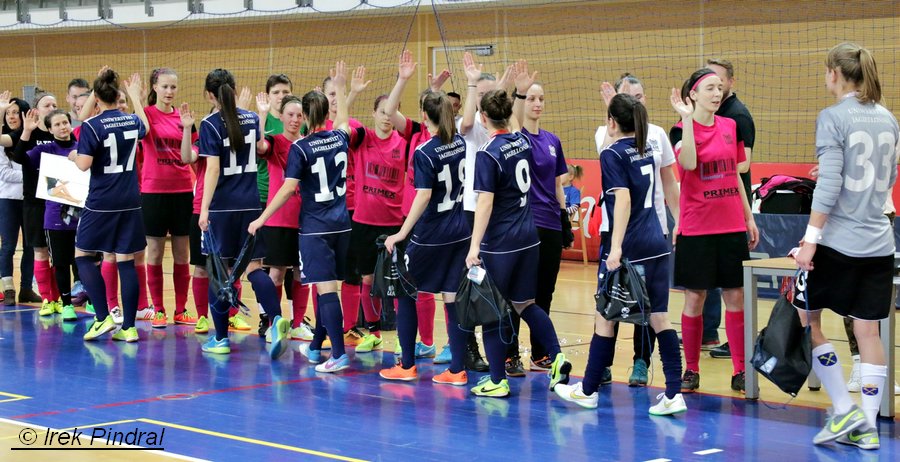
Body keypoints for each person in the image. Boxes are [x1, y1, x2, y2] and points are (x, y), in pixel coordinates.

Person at [793, 42, 898, 450]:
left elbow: (833, 185)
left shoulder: (832, 116)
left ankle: (843, 407)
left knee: (809, 320)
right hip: (878, 239)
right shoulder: (888, 118)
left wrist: (810, 240)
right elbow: (885, 177)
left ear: (835, 73)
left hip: (839, 241)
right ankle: (867, 427)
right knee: (868, 330)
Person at [554, 93, 686, 414]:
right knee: (659, 317)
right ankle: (673, 394)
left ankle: (587, 391)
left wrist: (614, 247)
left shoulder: (612, 153)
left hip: (631, 245)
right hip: (656, 238)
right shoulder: (647, 148)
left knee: (605, 317)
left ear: (611, 122)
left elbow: (623, 201)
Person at [465, 58, 571, 398]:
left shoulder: (488, 152)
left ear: (483, 118)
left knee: (496, 310)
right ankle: (556, 357)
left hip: (503, 241)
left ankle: (497, 379)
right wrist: (513, 90)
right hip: (530, 238)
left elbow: (484, 203)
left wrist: (473, 247)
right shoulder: (522, 142)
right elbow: (510, 116)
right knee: (527, 304)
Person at [250, 61, 354, 373]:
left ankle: (337, 354)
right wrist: (343, 88)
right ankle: (314, 347)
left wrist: (261, 218)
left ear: (307, 117)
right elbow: (345, 120)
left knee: (325, 290)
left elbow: (286, 189)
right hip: (343, 225)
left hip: (315, 228)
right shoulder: (341, 136)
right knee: (328, 287)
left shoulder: (301, 148)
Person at [669, 68, 759, 394]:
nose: (717, 93)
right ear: (693, 94)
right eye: (709, 88)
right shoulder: (679, 131)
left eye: (719, 87)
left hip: (731, 223)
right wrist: (689, 121)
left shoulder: (730, 126)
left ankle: (740, 370)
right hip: (697, 227)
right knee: (695, 297)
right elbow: (689, 164)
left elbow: (735, 175)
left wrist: (748, 217)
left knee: (735, 296)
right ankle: (691, 369)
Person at [378, 91, 470, 385]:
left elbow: (424, 195)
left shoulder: (424, 152)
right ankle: (457, 369)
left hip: (431, 234)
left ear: (424, 117)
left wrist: (403, 233)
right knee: (452, 298)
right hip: (459, 231)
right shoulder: (460, 143)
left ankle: (406, 365)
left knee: (406, 292)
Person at [595, 73, 681, 387]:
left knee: (648, 309)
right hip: (617, 231)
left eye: (640, 95)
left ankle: (640, 363)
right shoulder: (608, 135)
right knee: (615, 304)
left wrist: (679, 219)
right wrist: (610, 119)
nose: (638, 101)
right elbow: (606, 154)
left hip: (645, 231)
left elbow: (670, 183)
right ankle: (601, 367)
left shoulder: (657, 134)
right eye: (630, 97)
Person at [197, 68, 286, 358]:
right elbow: (262, 149)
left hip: (223, 208)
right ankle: (275, 322)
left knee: (219, 273)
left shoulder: (210, 124)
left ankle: (221, 339)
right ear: (234, 90)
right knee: (255, 269)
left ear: (210, 95)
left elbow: (211, 169)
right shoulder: (249, 118)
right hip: (250, 205)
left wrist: (205, 208)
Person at [382, 50, 457, 364]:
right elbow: (389, 110)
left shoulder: (448, 139)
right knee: (416, 287)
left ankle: (429, 344)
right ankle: (418, 343)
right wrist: (402, 80)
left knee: (435, 289)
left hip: (431, 222)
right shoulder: (415, 132)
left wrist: (435, 92)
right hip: (412, 219)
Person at [73, 66, 148, 343]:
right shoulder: (130, 121)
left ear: (96, 96)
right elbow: (146, 128)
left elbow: (83, 166)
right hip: (130, 201)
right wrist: (135, 97)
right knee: (125, 261)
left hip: (102, 201)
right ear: (118, 95)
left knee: (82, 256)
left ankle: (102, 317)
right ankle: (129, 328)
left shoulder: (92, 126)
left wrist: (73, 157)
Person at [511, 81, 573, 374]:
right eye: (531, 99)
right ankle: (510, 353)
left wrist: (564, 219)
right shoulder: (516, 137)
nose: (537, 103)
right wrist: (519, 93)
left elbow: (558, 183)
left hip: (549, 224)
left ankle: (539, 354)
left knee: (545, 292)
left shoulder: (552, 140)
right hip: (523, 224)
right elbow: (511, 119)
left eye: (541, 99)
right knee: (518, 292)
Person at [701, 58, 757, 360]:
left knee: (732, 286)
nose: (716, 88)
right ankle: (708, 333)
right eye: (710, 82)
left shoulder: (737, 116)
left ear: (731, 83)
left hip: (732, 207)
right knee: (705, 281)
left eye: (720, 82)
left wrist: (714, 159)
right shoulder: (712, 115)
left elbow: (743, 163)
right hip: (709, 209)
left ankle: (739, 346)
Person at [139, 68, 197, 329]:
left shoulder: (185, 118)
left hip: (183, 192)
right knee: (154, 251)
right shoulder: (146, 115)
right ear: (154, 87)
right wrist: (135, 99)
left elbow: (195, 154)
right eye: (164, 86)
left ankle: (181, 310)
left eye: (173, 87)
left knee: (182, 252)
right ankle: (159, 309)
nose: (169, 92)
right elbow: (142, 132)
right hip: (153, 193)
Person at [256, 93, 315, 341]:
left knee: (301, 273)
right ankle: (274, 323)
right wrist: (261, 114)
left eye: (299, 115)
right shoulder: (275, 141)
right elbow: (259, 147)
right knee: (277, 273)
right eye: (290, 115)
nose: (294, 119)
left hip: (303, 219)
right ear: (280, 117)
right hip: (278, 219)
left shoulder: (308, 144)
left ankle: (298, 323)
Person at [26, 109, 86, 321]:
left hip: (83, 216)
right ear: (50, 129)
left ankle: (95, 302)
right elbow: (20, 158)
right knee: (61, 262)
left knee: (85, 261)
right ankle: (66, 304)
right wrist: (26, 132)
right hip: (55, 216)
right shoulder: (46, 150)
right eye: (57, 124)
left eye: (65, 123)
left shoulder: (82, 148)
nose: (63, 127)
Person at [9, 90, 63, 315]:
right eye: (47, 105)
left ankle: (61, 298)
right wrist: (27, 131)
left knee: (59, 254)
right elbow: (18, 158)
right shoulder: (27, 133)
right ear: (36, 111)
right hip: (34, 203)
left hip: (59, 202)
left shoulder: (60, 133)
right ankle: (47, 300)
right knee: (40, 251)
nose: (51, 108)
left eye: (54, 105)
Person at [0, 95, 39, 305]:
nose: (12, 116)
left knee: (31, 246)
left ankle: (26, 288)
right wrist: (32, 174)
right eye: (8, 113)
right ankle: (7, 288)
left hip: (29, 198)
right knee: (8, 246)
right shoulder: (3, 140)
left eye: (16, 112)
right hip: (7, 199)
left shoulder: (30, 138)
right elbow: (4, 174)